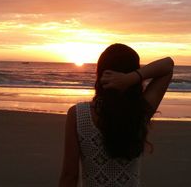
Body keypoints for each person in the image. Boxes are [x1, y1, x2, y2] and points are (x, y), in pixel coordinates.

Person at [59, 43, 174, 187]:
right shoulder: (140, 111)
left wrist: (127, 79)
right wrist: (131, 78)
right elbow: (168, 66)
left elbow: (70, 175)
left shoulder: (78, 114)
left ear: (100, 74)